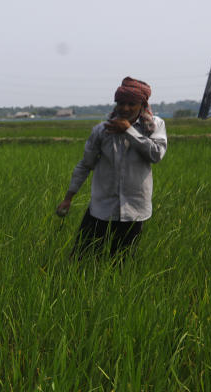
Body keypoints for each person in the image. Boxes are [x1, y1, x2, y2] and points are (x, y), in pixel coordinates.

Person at [56, 77, 168, 257]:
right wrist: (68, 198)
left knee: (122, 262)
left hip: (134, 209)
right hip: (101, 208)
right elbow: (86, 164)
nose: (125, 108)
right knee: (81, 259)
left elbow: (156, 155)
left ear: (142, 104)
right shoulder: (102, 130)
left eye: (131, 103)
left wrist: (128, 131)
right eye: (121, 103)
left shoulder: (154, 126)